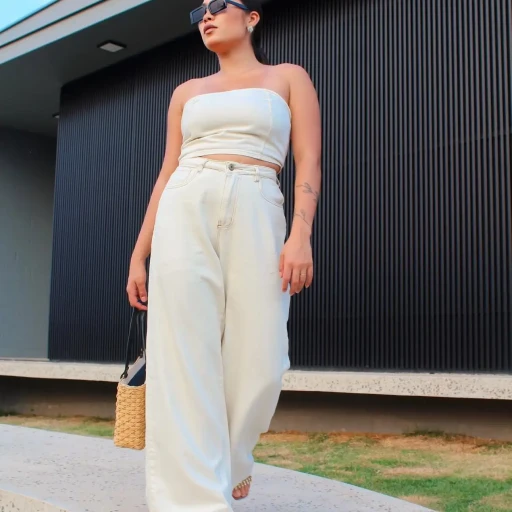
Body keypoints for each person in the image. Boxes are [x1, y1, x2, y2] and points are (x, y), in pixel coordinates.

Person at [126, 0, 321, 510]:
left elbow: (309, 161)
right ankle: (193, 501)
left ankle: (233, 459)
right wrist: (140, 253)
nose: (205, 16)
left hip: (258, 200)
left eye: (218, 5)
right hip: (185, 203)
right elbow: (166, 172)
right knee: (184, 356)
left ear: (252, 17)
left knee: (262, 356)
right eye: (198, 12)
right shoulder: (186, 92)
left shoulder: (288, 77)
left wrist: (301, 235)